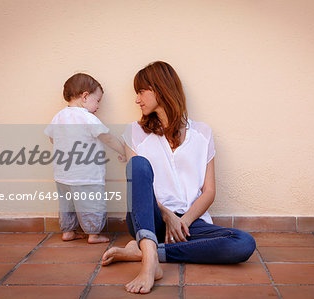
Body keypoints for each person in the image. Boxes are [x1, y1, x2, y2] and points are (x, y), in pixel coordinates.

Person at [101, 61, 256, 293]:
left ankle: (148, 252)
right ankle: (150, 256)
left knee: (243, 243)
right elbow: (139, 188)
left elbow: (209, 191)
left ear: (160, 89)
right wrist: (168, 216)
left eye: (141, 91)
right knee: (138, 165)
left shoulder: (202, 133)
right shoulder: (134, 132)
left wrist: (183, 221)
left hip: (190, 223)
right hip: (151, 218)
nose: (137, 99)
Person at [45, 73, 126, 244]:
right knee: (91, 204)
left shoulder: (58, 117)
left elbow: (52, 138)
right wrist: (124, 151)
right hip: (87, 175)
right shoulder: (88, 117)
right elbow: (107, 137)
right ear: (85, 96)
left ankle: (68, 231)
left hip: (63, 175)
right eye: (97, 101)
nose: (97, 106)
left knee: (67, 204)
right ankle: (94, 234)